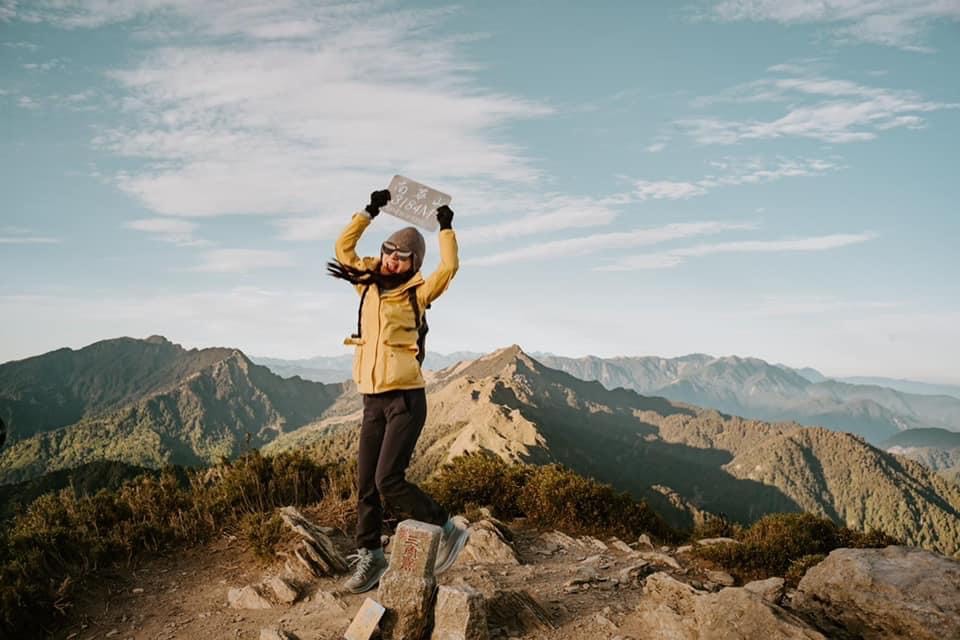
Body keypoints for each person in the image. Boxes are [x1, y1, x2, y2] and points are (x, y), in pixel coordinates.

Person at [327, 188, 469, 594]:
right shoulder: (366, 285)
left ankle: (446, 527)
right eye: (389, 251)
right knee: (366, 485)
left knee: (389, 480)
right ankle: (371, 556)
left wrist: (446, 227)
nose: (392, 259)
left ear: (413, 263)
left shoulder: (417, 294)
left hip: (406, 399)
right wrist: (369, 211)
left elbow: (450, 267)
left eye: (401, 256)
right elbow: (343, 247)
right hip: (372, 399)